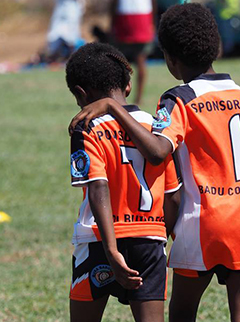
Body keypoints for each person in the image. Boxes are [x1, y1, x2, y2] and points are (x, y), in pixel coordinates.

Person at [69, 4, 240, 321]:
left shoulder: (180, 98)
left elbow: (157, 151)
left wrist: (113, 107)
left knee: (181, 313)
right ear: (216, 47)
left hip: (203, 221)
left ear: (169, 59)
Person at [66, 43, 181, 322]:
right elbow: (173, 196)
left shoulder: (87, 126)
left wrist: (111, 249)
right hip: (150, 239)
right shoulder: (157, 129)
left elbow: (97, 186)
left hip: (98, 241)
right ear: (128, 86)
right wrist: (163, 240)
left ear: (81, 94)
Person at [111, 0, 156, 105]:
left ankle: (118, 97)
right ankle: (138, 98)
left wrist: (112, 22)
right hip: (142, 18)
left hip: (125, 17)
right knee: (140, 61)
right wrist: (153, 21)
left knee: (119, 62)